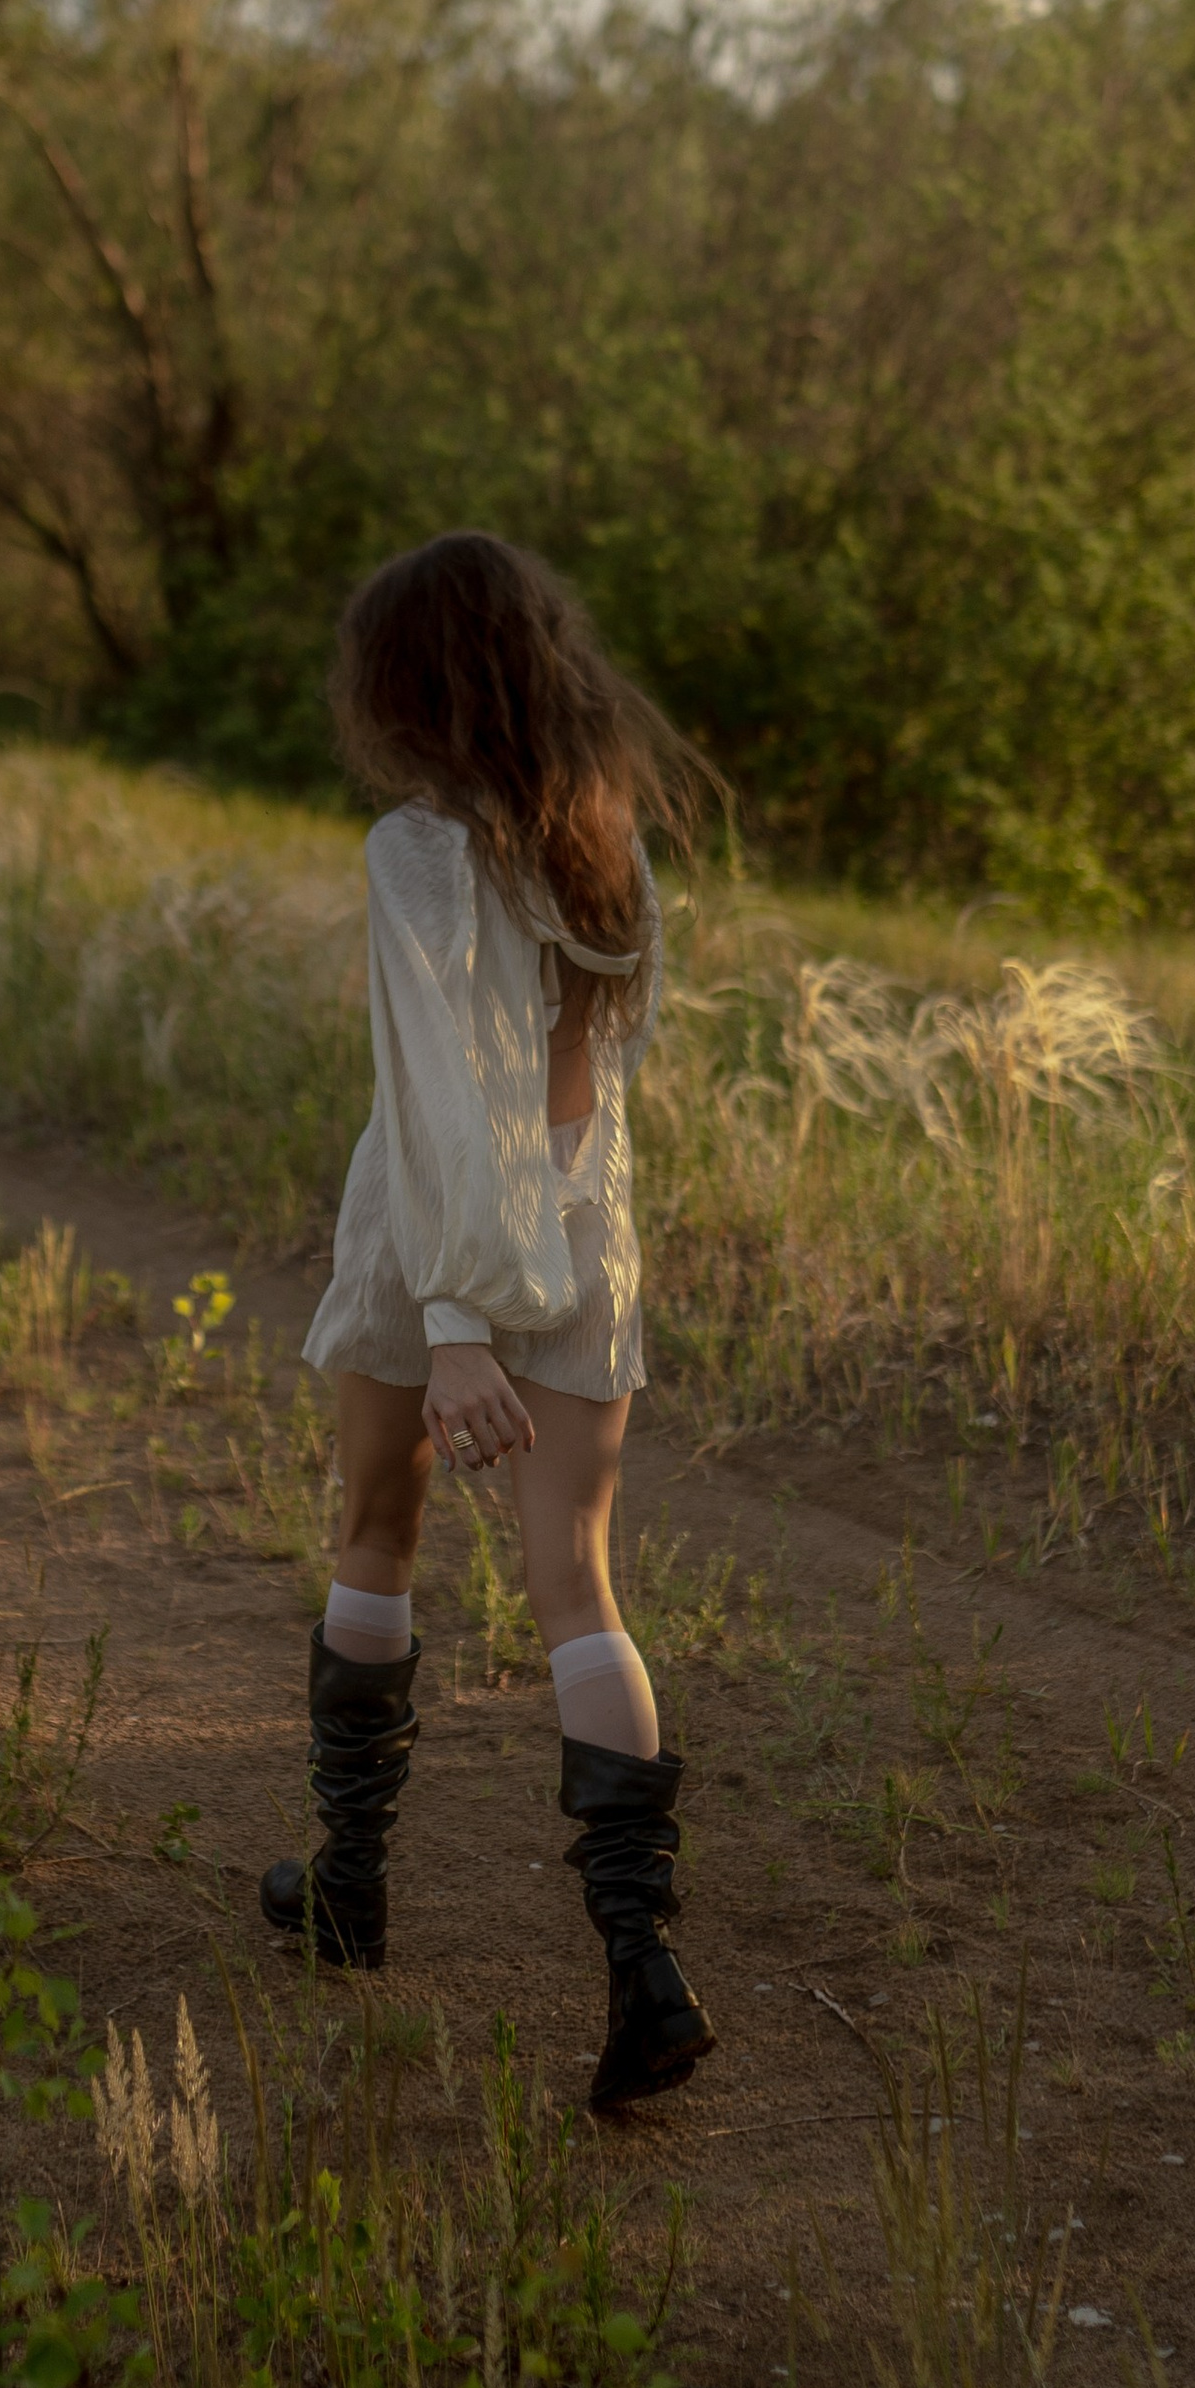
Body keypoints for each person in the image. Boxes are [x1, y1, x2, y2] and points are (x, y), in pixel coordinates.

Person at [258, 530, 719, 2111]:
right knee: (577, 1584)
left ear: (410, 685)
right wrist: (539, 1250)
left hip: (433, 1245)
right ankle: (642, 1967)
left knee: (377, 1529)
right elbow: (587, 1078)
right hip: (589, 1231)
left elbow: (444, 1101)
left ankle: (350, 1886)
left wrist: (455, 1318)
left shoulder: (419, 851)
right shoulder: (605, 833)